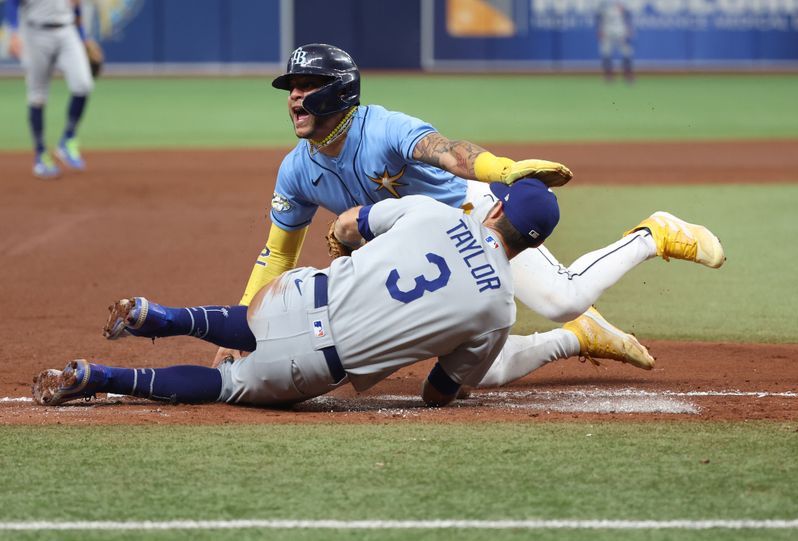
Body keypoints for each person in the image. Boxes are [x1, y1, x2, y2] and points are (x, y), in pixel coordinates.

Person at [210, 43, 723, 387]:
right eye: (291, 88)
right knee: (483, 373)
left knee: (564, 296)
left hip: (473, 220)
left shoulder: (382, 128)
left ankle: (655, 233)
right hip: (411, 248)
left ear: (340, 90)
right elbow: (276, 255)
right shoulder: (296, 171)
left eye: (307, 84)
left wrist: (505, 168)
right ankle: (578, 339)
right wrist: (246, 328)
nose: (295, 96)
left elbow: (447, 151)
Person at [33, 179, 562, 407]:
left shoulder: (435, 211)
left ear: (496, 210)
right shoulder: (499, 312)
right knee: (225, 384)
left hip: (301, 293)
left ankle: (165, 315)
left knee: (259, 319)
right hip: (312, 366)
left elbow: (353, 223)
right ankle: (104, 377)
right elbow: (437, 392)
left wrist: (342, 246)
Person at [5, 0, 94, 179]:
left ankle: (68, 138)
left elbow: (76, 4)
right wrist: (13, 33)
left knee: (83, 84)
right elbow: (11, 3)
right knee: (37, 96)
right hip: (35, 33)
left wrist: (83, 38)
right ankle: (41, 155)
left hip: (67, 31)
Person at [595, 0, 635, 83]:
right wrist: (599, 29)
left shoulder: (623, 2)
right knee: (606, 52)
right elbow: (598, 17)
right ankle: (608, 75)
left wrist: (629, 28)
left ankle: (628, 74)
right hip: (606, 30)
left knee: (626, 52)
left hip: (621, 30)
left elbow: (627, 15)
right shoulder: (602, 3)